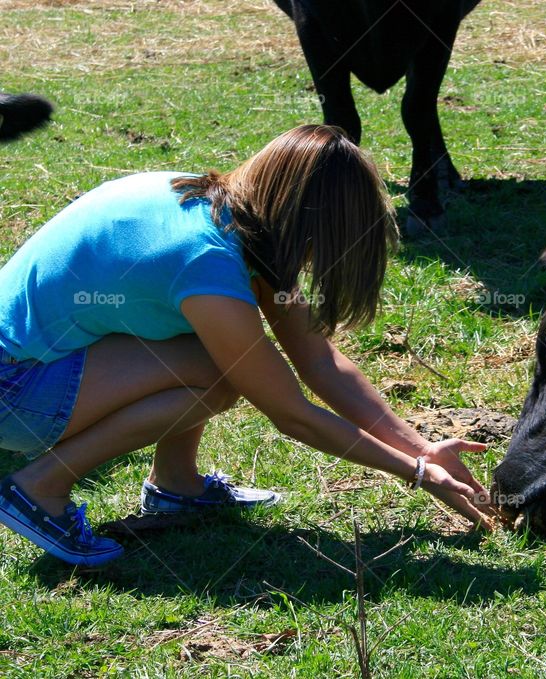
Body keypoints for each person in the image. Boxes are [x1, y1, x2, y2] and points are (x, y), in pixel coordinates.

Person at [0, 124, 494, 567]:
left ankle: (178, 486)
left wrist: (422, 448)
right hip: (13, 389)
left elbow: (320, 360)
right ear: (305, 223)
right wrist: (418, 473)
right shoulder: (207, 261)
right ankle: (41, 488)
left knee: (213, 354)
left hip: (32, 365)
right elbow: (290, 412)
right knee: (220, 373)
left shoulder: (223, 208)